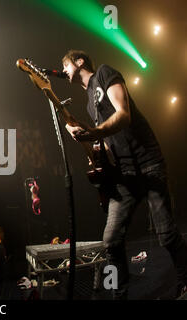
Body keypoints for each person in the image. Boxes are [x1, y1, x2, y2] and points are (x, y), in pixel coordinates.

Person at [61, 49, 187, 299]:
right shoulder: (89, 102)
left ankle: (185, 281)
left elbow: (124, 115)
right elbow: (107, 143)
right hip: (124, 174)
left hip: (148, 164)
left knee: (166, 234)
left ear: (80, 61)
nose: (63, 71)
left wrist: (94, 132)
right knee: (111, 240)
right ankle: (120, 294)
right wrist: (84, 139)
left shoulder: (105, 73)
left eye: (65, 65)